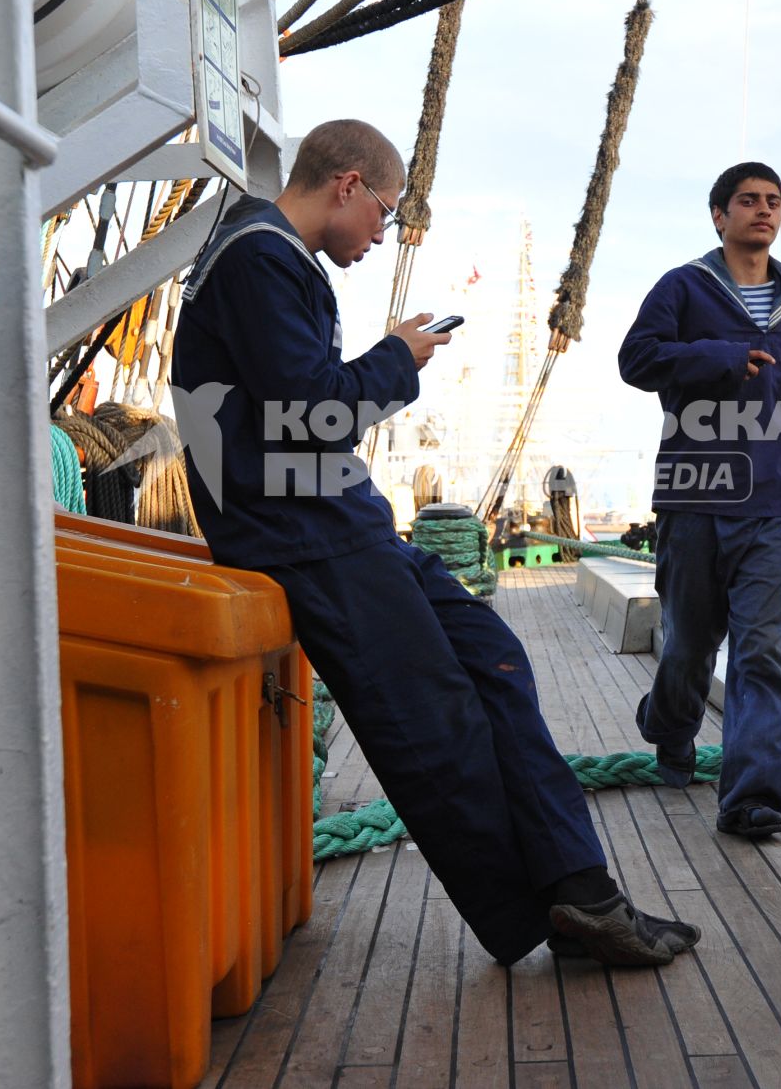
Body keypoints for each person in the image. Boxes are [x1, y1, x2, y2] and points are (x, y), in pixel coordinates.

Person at [171, 119, 698, 967]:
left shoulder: (258, 253)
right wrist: (399, 355)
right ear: (345, 183)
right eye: (383, 210)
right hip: (306, 537)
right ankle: (544, 908)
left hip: (339, 527)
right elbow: (314, 413)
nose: (382, 234)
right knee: (434, 723)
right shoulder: (260, 258)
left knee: (495, 659)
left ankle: (581, 891)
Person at [619, 161, 781, 841]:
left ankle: (752, 799)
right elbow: (636, 359)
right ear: (719, 214)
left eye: (774, 202)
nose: (763, 211)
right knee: (688, 644)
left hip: (771, 501)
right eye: (748, 201)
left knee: (763, 649)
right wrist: (719, 357)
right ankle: (668, 723)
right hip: (693, 495)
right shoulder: (682, 288)